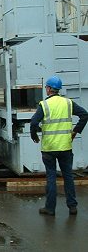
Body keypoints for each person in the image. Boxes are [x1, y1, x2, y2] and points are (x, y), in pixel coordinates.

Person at [30, 76, 88, 216]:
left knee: (51, 177)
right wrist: (75, 132)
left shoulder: (44, 105)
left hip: (49, 148)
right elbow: (84, 115)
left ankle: (50, 208)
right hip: (65, 147)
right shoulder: (68, 103)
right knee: (68, 176)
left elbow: (33, 123)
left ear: (49, 89)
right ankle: (72, 207)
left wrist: (34, 136)